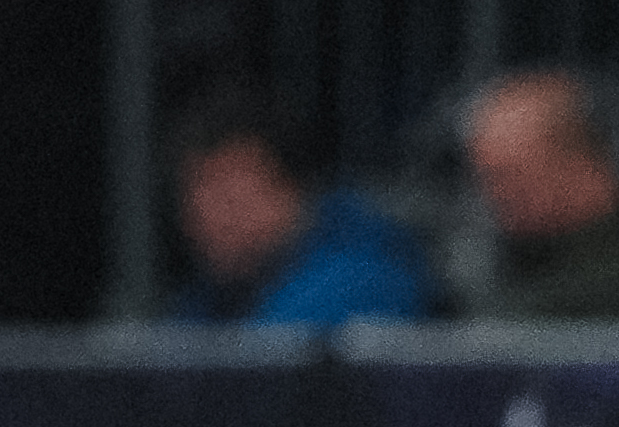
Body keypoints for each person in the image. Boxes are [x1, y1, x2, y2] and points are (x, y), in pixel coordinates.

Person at [164, 97, 430, 325]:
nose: (208, 222)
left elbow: (258, 368)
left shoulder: (367, 276)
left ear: (291, 190)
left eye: (229, 200)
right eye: (195, 205)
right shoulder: (210, 298)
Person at [460, 70, 619, 319]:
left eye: (507, 174)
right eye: (485, 177)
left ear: (578, 162)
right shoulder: (500, 262)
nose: (495, 192)